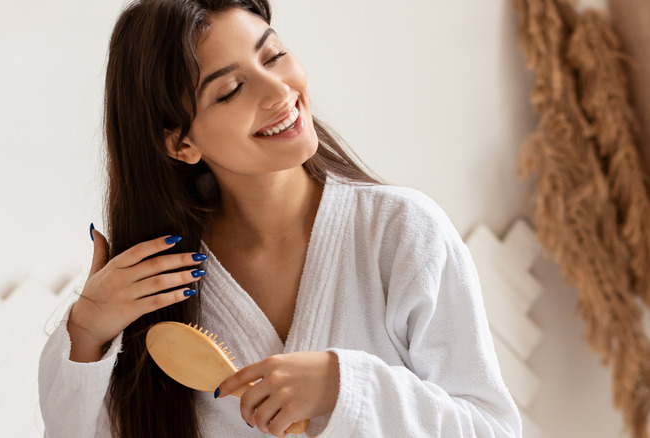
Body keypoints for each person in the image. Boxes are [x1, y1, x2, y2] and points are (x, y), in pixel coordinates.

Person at [38, 0, 523, 437]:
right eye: (230, 90)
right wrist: (85, 335)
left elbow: (491, 430)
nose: (278, 90)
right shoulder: (161, 288)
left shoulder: (402, 232)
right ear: (181, 142)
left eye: (273, 57)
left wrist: (344, 387)